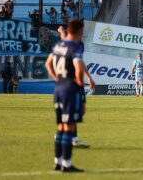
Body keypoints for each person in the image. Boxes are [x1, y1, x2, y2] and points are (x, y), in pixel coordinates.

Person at [45, 20, 86, 172]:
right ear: (77, 31)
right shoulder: (74, 47)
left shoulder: (58, 45)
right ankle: (67, 164)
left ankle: (58, 161)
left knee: (61, 126)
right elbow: (78, 67)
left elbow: (48, 63)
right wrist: (79, 82)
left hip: (58, 88)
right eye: (81, 31)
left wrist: (56, 78)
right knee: (68, 126)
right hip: (70, 89)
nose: (82, 34)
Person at [57, 25, 94, 149]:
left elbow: (81, 62)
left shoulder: (80, 46)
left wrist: (88, 77)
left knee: (81, 111)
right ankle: (72, 138)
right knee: (74, 111)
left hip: (79, 83)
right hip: (71, 83)